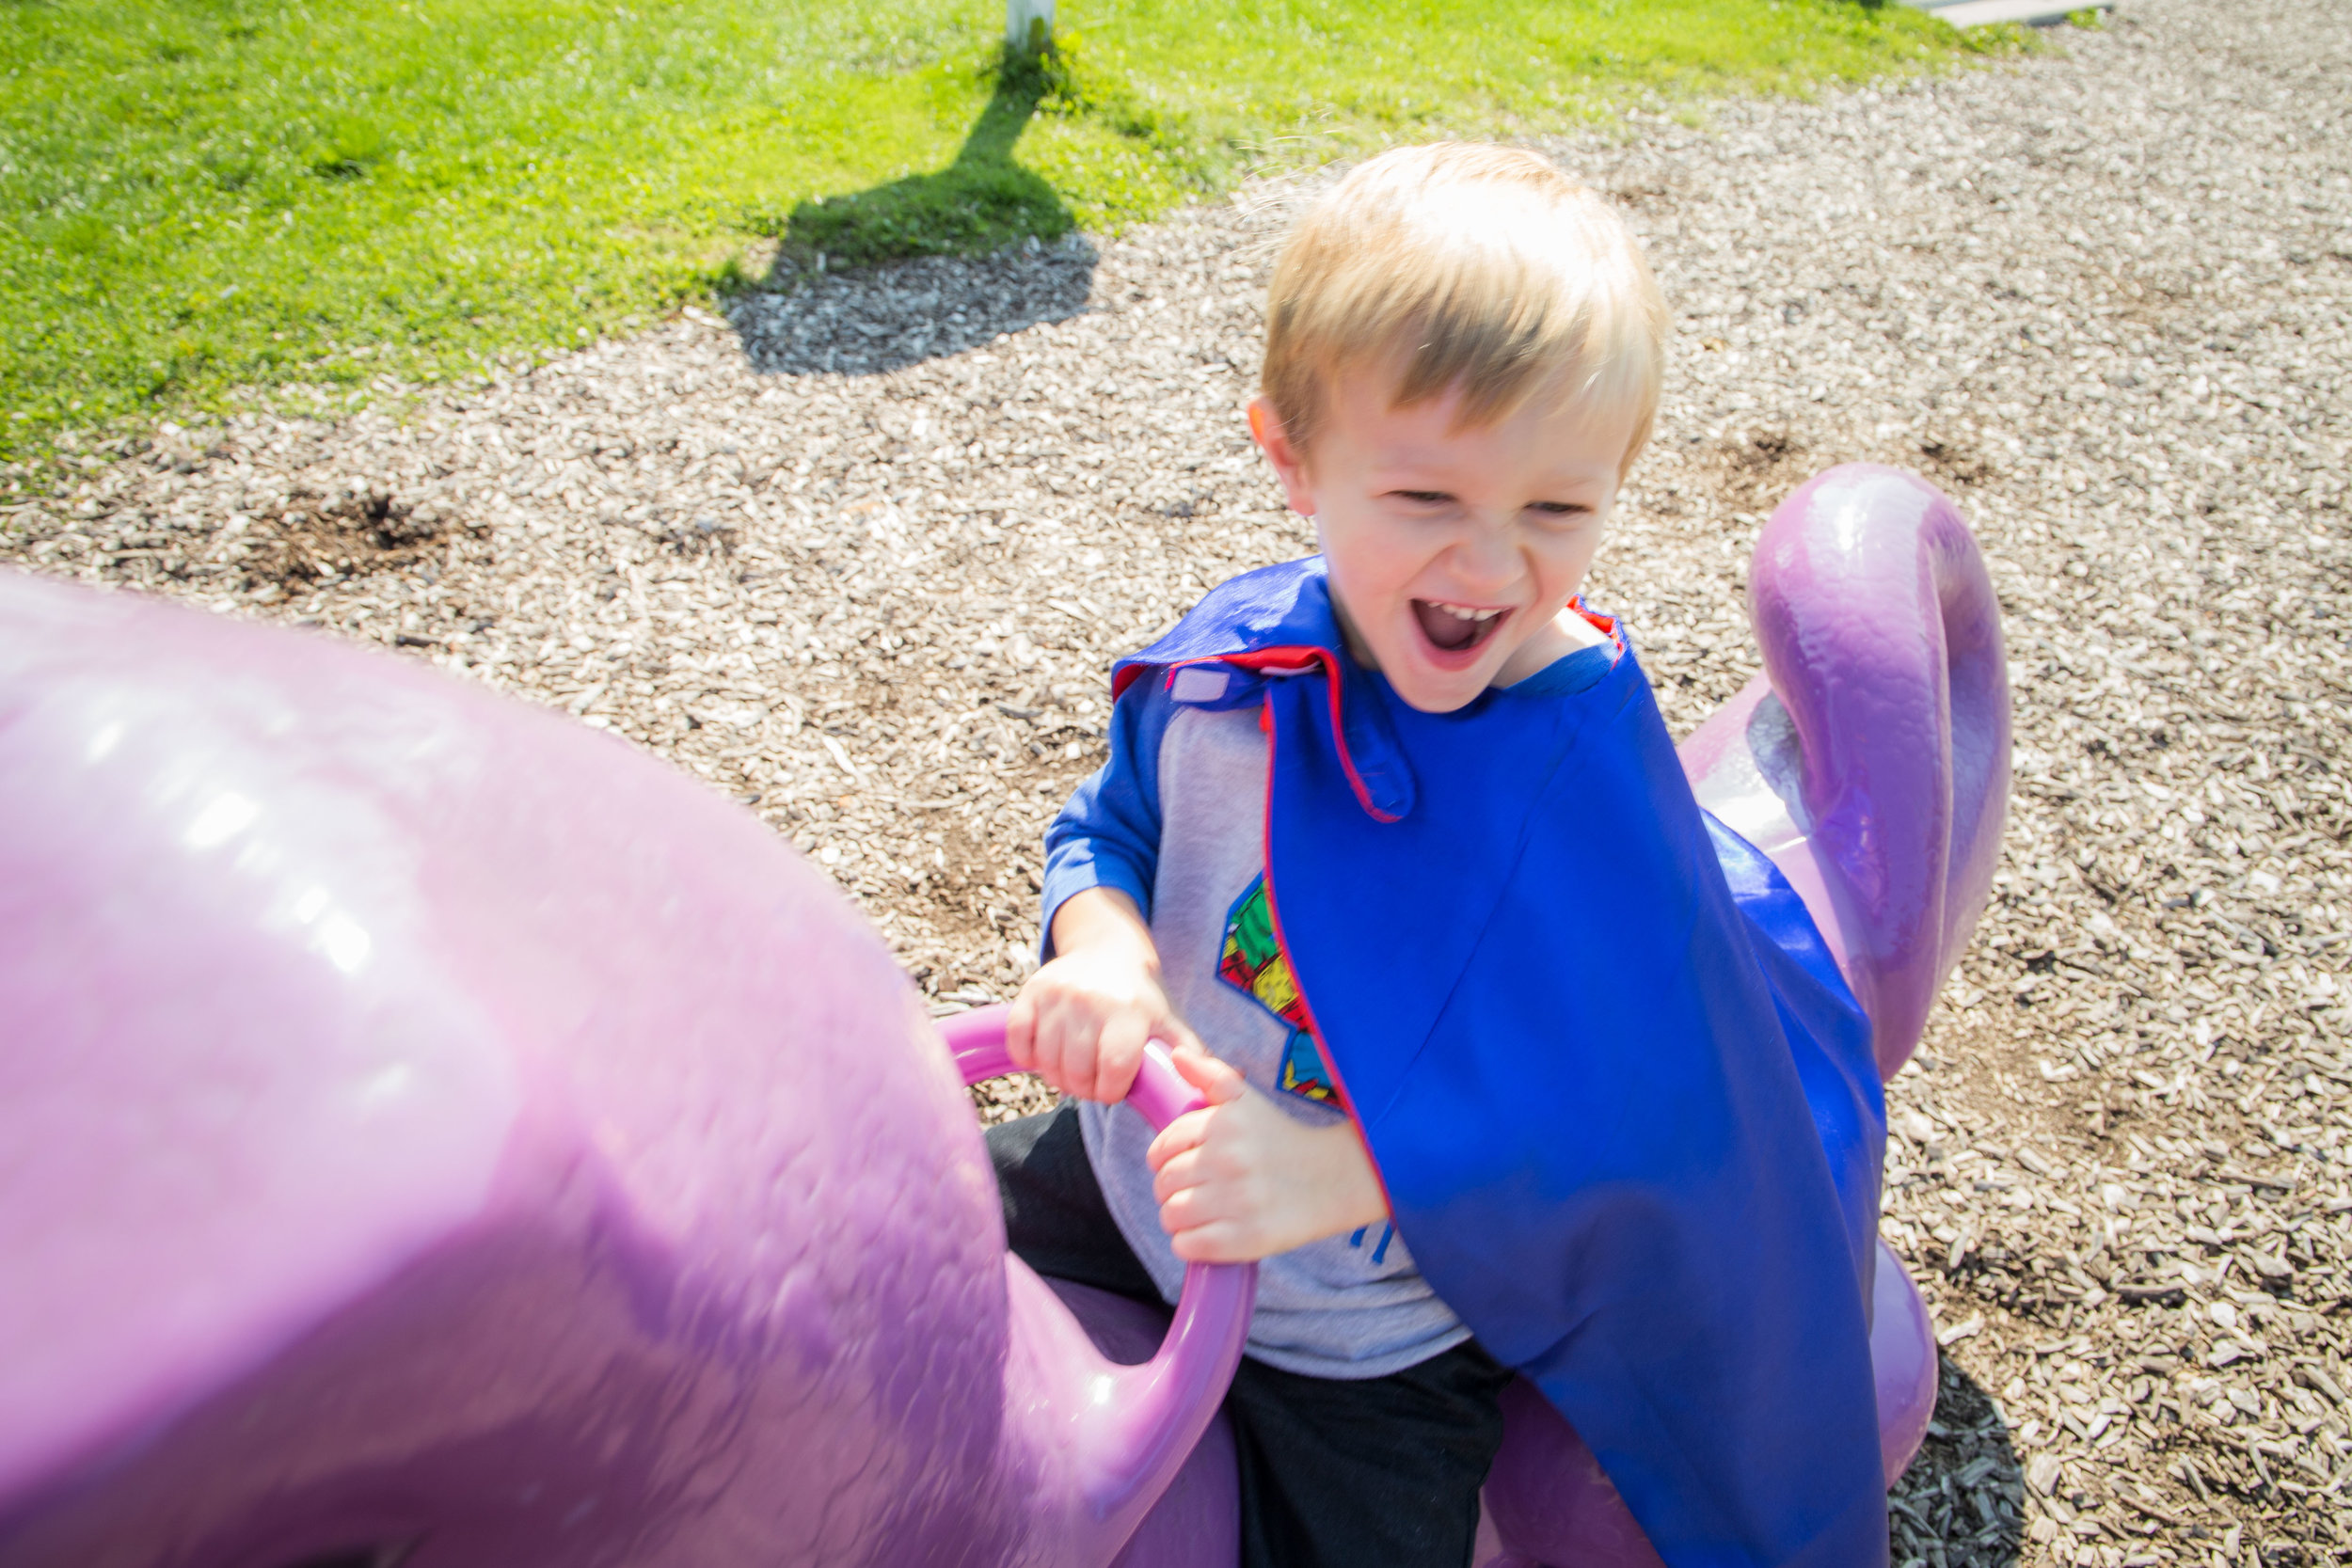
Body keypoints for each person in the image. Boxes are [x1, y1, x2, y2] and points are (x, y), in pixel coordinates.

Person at [990, 143, 1890, 1568]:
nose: (1487, 569)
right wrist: (1100, 950)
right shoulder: (1235, 678)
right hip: (1127, 1180)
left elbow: (1630, 1093)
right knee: (872, 1239)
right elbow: (1109, 828)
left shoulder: (1569, 766)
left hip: (1366, 1338)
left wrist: (1346, 1176)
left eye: (1555, 511)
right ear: (1290, 458)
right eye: (1424, 501)